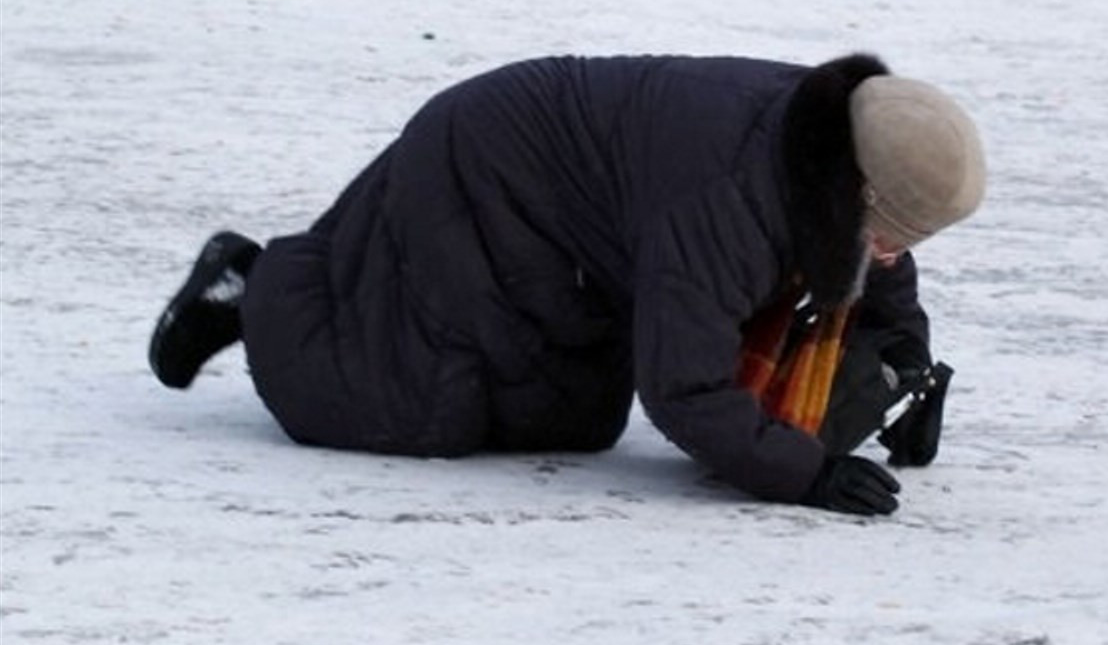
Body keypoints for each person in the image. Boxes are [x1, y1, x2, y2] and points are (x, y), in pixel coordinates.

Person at [149, 53, 985, 516]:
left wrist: (905, 369)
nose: (890, 256)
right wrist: (804, 476)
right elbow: (683, 388)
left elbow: (873, 264)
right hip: (488, 173)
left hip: (571, 224)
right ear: (854, 196)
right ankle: (253, 288)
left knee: (570, 421)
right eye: (886, 237)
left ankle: (291, 291)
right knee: (415, 404)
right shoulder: (726, 205)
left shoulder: (829, 151)